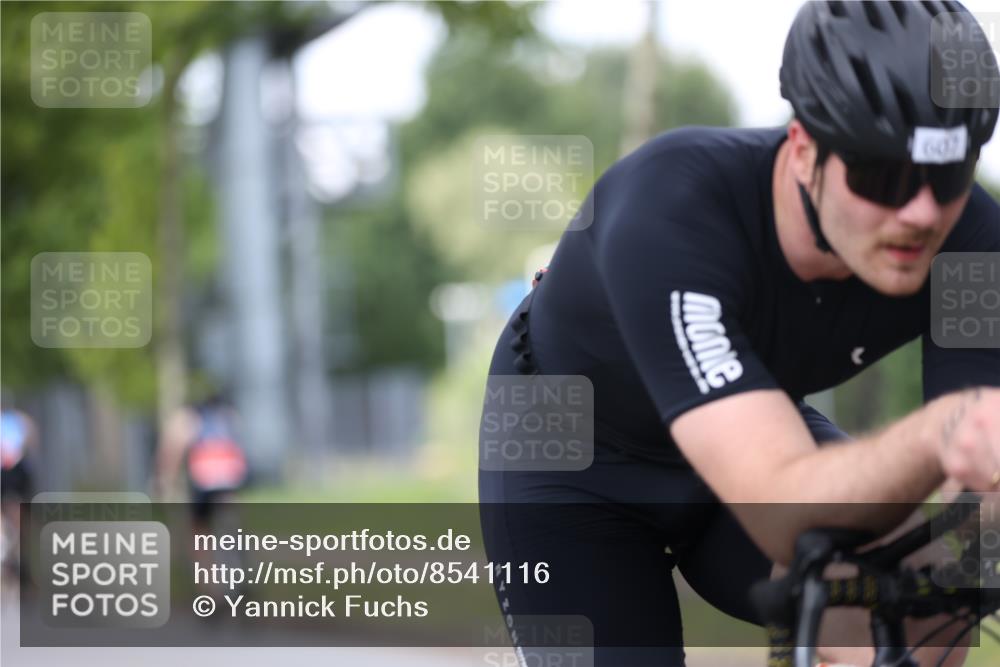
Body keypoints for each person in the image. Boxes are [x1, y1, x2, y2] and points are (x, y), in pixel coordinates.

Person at [478, 2, 1000, 666]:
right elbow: (785, 505)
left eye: (949, 176)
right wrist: (937, 432)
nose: (921, 213)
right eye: (883, 176)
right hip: (575, 463)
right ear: (804, 148)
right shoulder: (672, 207)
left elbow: (981, 502)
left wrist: (969, 555)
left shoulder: (974, 246)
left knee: (924, 614)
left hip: (749, 430)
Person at [0, 400, 39, 590]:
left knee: (15, 520)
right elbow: (31, 438)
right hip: (16, 473)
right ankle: (15, 556)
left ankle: (12, 557)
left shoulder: (15, 420)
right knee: (20, 520)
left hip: (11, 474)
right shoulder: (18, 420)